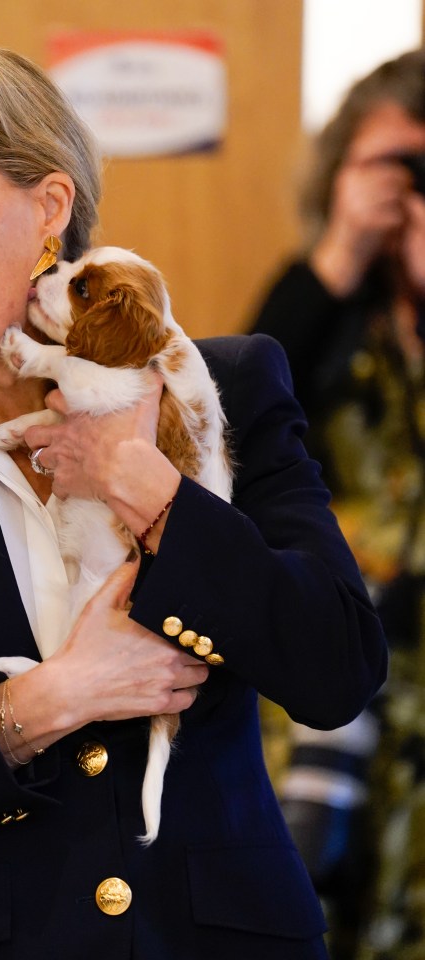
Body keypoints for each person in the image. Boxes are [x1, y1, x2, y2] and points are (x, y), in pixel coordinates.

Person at [0, 34, 387, 960]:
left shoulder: (228, 387)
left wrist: (150, 490)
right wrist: (49, 700)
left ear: (50, 205)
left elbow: (336, 668)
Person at [249, 49, 425, 960]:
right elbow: (234, 420)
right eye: (392, 164)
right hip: (330, 700)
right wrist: (347, 249)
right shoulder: (321, 304)